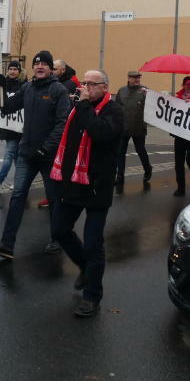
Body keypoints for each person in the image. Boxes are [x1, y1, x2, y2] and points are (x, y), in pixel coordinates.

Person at [0, 50, 71, 259]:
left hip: (48, 157)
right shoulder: (28, 88)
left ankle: (57, 239)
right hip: (26, 154)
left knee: (54, 198)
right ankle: (7, 245)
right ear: (32, 68)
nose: (39, 67)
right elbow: (6, 107)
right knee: (17, 196)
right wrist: (1, 87)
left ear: (50, 68)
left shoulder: (58, 90)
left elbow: (62, 124)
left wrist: (47, 147)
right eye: (36, 64)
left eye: (44, 65)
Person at [50, 70, 122, 318]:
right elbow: (68, 141)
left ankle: (92, 295)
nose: (86, 87)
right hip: (72, 184)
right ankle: (83, 266)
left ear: (105, 87)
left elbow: (100, 134)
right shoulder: (77, 110)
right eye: (84, 83)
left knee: (93, 244)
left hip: (96, 187)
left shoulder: (113, 110)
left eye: (92, 84)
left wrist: (82, 107)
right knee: (59, 229)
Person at [0, 60, 26, 192]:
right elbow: (1, 104)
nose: (13, 71)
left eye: (15, 69)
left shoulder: (24, 85)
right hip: (7, 126)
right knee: (15, 156)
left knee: (9, 153)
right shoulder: (4, 84)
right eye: (11, 69)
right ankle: (18, 182)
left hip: (20, 127)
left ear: (19, 71)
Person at [112, 70, 151, 191]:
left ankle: (147, 169)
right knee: (120, 153)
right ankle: (120, 176)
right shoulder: (121, 91)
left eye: (138, 78)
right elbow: (116, 108)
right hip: (123, 127)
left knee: (141, 150)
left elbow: (152, 107)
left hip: (138, 127)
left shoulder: (145, 91)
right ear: (128, 78)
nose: (137, 80)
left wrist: (148, 96)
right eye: (134, 78)